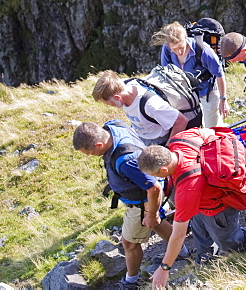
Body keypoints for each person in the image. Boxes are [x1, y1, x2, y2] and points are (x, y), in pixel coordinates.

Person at [138, 130, 246, 289]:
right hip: (203, 201)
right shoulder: (180, 139)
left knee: (231, 243)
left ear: (163, 170)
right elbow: (210, 132)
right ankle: (204, 258)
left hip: (220, 207)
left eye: (156, 175)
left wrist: (164, 268)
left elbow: (178, 235)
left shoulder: (187, 188)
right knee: (199, 225)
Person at [73, 121, 177, 290]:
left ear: (99, 144)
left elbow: (153, 187)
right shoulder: (114, 126)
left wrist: (150, 213)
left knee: (129, 243)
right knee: (155, 223)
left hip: (141, 202)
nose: (90, 155)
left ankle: (131, 281)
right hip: (141, 198)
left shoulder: (126, 161)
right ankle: (181, 252)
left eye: (89, 152)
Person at [151, 22, 229, 128]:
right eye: (174, 49)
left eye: (180, 46)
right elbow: (166, 73)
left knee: (212, 127)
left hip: (207, 91)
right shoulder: (167, 50)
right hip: (184, 94)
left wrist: (223, 99)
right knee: (191, 128)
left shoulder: (203, 50)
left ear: (186, 38)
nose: (179, 52)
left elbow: (219, 74)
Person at [92, 70, 193, 146]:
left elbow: (181, 121)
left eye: (108, 103)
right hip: (142, 137)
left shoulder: (151, 105)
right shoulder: (124, 86)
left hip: (159, 141)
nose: (109, 106)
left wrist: (169, 149)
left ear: (118, 97)